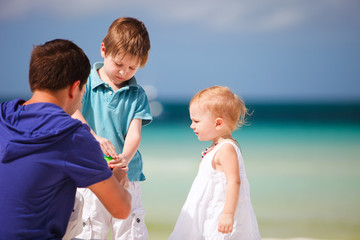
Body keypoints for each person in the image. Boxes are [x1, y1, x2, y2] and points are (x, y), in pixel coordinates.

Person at [0, 39, 131, 239]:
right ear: (74, 88)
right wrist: (118, 180)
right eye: (83, 91)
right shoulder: (72, 135)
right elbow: (121, 209)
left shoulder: (3, 115)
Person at [73, 17, 152, 239]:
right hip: (90, 171)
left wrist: (125, 158)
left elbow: (134, 133)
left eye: (132, 67)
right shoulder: (85, 83)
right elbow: (73, 113)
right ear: (103, 50)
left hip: (128, 173)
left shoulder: (137, 95)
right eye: (118, 64)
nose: (123, 72)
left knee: (129, 230)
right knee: (89, 228)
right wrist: (94, 137)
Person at [169, 86, 261, 240]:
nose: (192, 125)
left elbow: (234, 182)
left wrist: (228, 214)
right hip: (207, 210)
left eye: (196, 121)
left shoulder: (226, 149)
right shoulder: (216, 147)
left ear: (218, 123)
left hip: (218, 212)